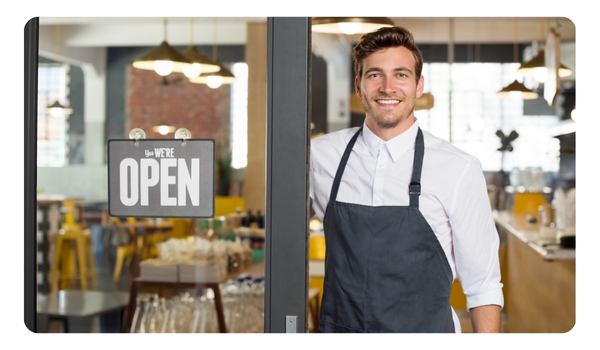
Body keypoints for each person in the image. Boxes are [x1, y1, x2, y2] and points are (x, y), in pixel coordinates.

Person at [309, 26, 503, 333]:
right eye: (374, 75)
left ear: (418, 85)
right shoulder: (318, 156)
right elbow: (285, 233)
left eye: (401, 74)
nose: (388, 87)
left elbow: (483, 286)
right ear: (359, 86)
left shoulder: (458, 168)